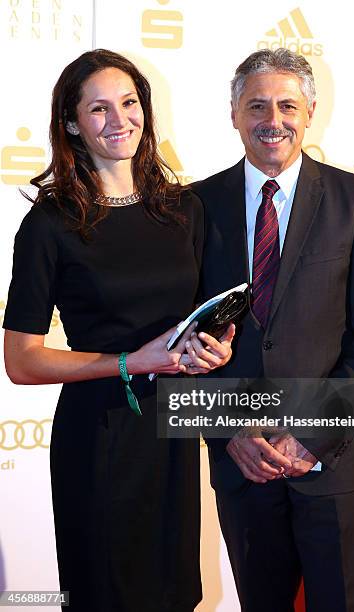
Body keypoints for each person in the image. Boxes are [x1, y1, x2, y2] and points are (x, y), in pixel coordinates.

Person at [2, 49, 234, 612]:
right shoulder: (50, 224)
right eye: (98, 108)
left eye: (129, 103)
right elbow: (22, 360)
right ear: (72, 124)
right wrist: (132, 361)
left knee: (174, 592)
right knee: (106, 593)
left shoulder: (184, 210)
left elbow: (204, 317)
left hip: (171, 436)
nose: (119, 119)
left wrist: (214, 348)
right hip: (98, 437)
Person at [193, 48, 354, 612]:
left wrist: (311, 432)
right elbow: (181, 340)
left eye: (287, 105)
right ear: (234, 114)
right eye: (256, 105)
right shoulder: (193, 207)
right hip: (242, 461)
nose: (272, 120)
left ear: (309, 112)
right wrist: (230, 434)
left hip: (328, 457)